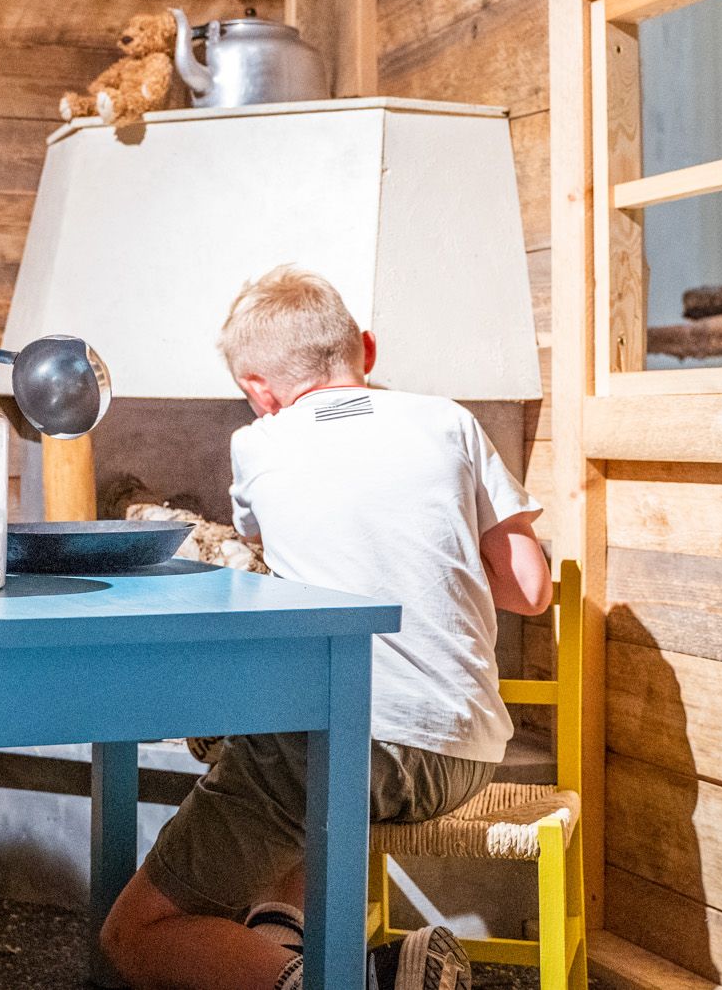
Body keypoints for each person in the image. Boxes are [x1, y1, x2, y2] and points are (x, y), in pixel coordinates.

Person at [100, 265, 553, 990]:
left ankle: (365, 979)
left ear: (257, 389)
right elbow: (531, 590)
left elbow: (271, 559)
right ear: (365, 349)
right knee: (285, 772)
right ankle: (292, 946)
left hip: (342, 749)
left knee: (132, 935)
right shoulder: (450, 419)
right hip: (464, 756)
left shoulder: (258, 444)